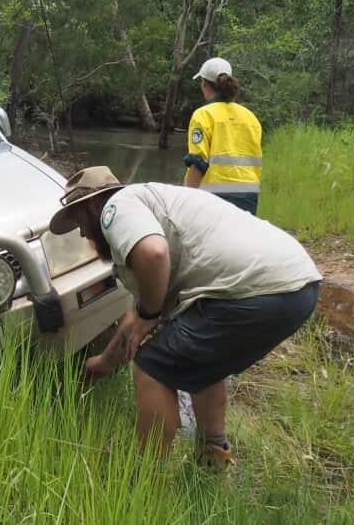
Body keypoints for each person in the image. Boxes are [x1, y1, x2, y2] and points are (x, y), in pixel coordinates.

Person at [49, 166, 321, 467]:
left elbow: (154, 254)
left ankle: (146, 476)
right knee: (198, 361)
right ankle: (213, 457)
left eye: (79, 220)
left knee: (153, 364)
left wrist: (148, 314)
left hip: (256, 290)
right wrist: (104, 362)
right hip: (298, 286)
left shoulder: (117, 206)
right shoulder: (157, 203)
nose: (83, 232)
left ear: (95, 205)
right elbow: (136, 321)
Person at [183, 57, 263, 215]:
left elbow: (198, 163)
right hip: (248, 196)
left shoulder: (203, 115)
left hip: (213, 198)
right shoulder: (250, 117)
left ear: (204, 83)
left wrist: (184, 201)